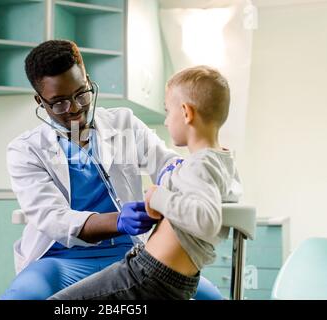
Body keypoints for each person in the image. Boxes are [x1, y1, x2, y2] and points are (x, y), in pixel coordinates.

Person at [0, 40, 222, 300]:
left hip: (132, 255)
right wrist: (118, 221)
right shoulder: (26, 150)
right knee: (19, 298)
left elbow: (164, 163)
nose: (74, 109)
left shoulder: (124, 123)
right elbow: (53, 217)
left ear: (88, 80)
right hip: (61, 260)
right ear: (41, 101)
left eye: (81, 94)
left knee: (211, 298)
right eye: (59, 103)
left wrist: (187, 170)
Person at [50, 65, 243, 300]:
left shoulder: (200, 165)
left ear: (186, 113)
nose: (166, 120)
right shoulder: (222, 163)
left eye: (167, 111)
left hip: (149, 275)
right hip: (163, 276)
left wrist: (158, 196)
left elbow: (206, 219)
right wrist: (171, 182)